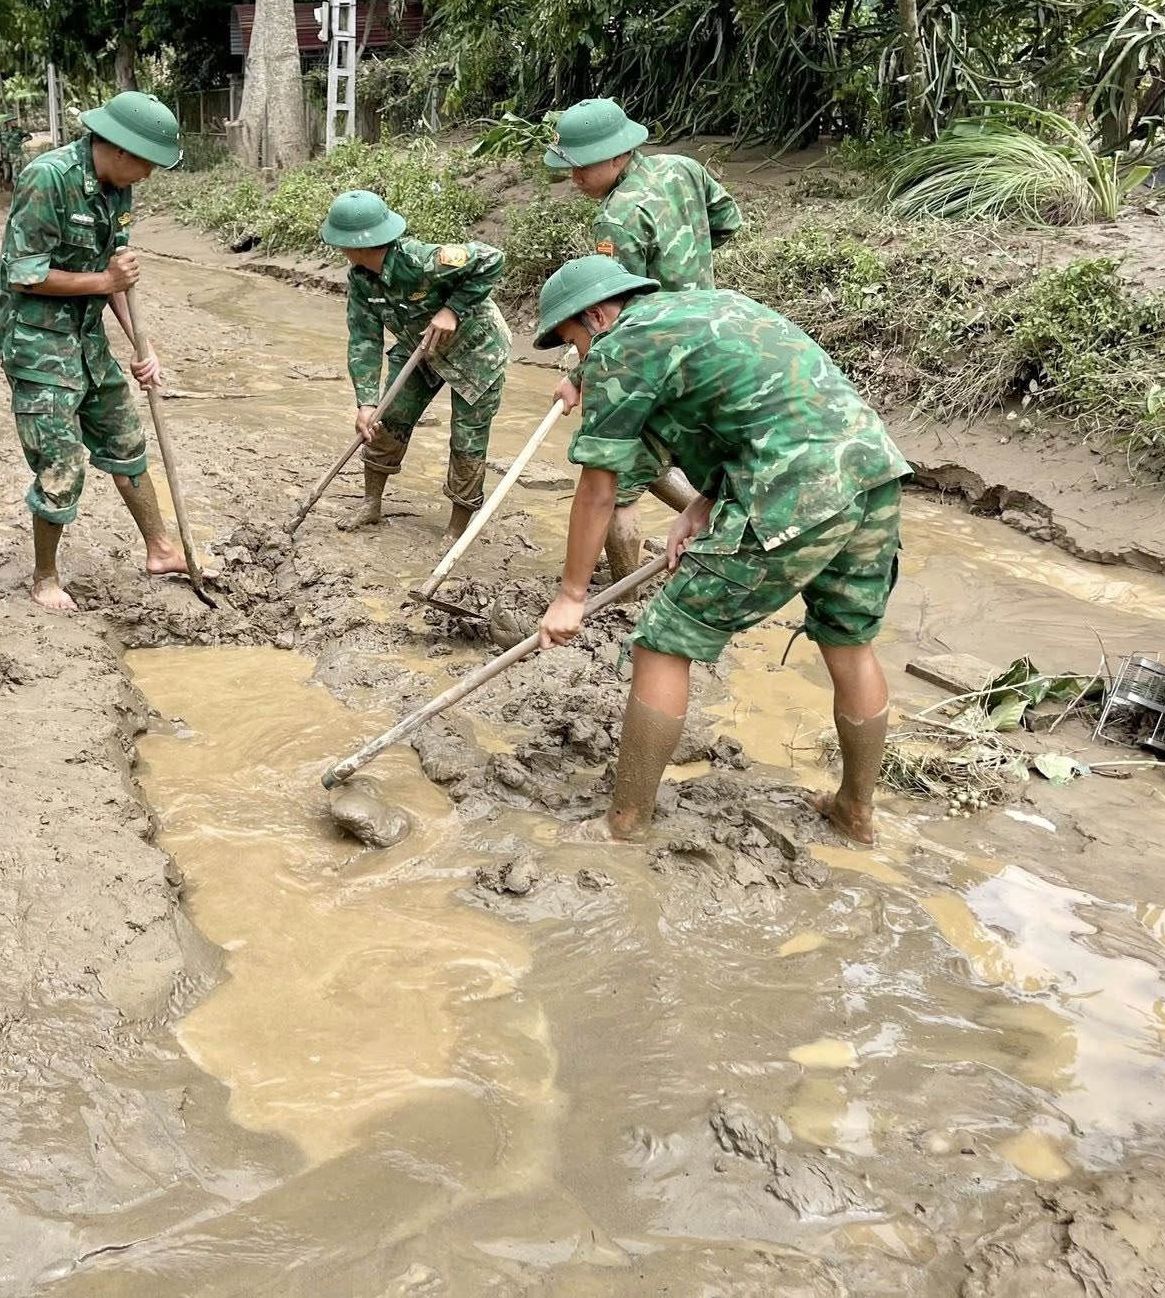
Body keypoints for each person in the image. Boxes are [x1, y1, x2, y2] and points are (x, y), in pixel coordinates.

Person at [531, 255, 908, 847]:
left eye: (571, 341)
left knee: (662, 640)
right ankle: (855, 813)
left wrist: (570, 595)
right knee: (849, 639)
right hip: (871, 471)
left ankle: (624, 825)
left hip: (793, 490)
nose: (576, 356)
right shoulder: (716, 305)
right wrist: (702, 503)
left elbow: (599, 487)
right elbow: (758, 408)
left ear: (597, 315)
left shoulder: (618, 348)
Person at [0, 90, 188, 611]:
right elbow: (25, 274)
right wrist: (105, 277)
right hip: (37, 345)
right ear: (120, 149)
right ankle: (44, 577)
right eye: (147, 163)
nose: (149, 175)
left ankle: (161, 549)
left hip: (87, 340)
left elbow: (116, 281)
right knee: (62, 465)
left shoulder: (117, 190)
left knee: (127, 441)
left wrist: (142, 347)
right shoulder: (48, 177)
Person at [545, 98, 746, 578]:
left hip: (655, 354)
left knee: (615, 480)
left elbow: (612, 314)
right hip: (707, 332)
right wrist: (684, 258)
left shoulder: (616, 218)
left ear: (617, 155)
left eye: (581, 168)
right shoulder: (684, 168)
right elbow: (727, 222)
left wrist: (581, 374)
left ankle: (623, 594)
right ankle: (718, 524)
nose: (574, 179)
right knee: (654, 456)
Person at [319, 189, 511, 536]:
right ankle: (371, 503)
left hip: (476, 352)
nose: (339, 249)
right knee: (384, 420)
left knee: (467, 438)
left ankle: (456, 529)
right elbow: (364, 338)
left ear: (357, 243)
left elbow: (491, 258)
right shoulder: (360, 278)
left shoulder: (425, 259)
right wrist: (366, 402)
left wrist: (452, 309)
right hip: (419, 347)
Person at [0, 113, 26, 192]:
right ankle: (8, 190)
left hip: (16, 155)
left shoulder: (19, 130)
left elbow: (28, 136)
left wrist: (22, 142)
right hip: (5, 156)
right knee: (7, 176)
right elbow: (0, 142)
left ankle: (17, 192)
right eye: (13, 120)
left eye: (15, 120)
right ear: (8, 122)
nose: (15, 122)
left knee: (16, 175)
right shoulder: (2, 132)